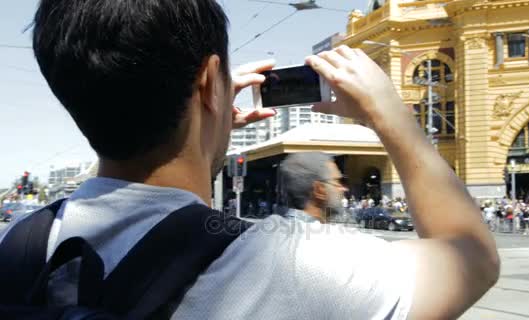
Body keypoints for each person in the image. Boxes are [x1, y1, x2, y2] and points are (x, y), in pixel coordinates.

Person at [0, 1, 499, 318]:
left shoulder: (14, 244)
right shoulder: (294, 266)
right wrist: (395, 119)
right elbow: (472, 257)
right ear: (210, 80)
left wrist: (203, 128)